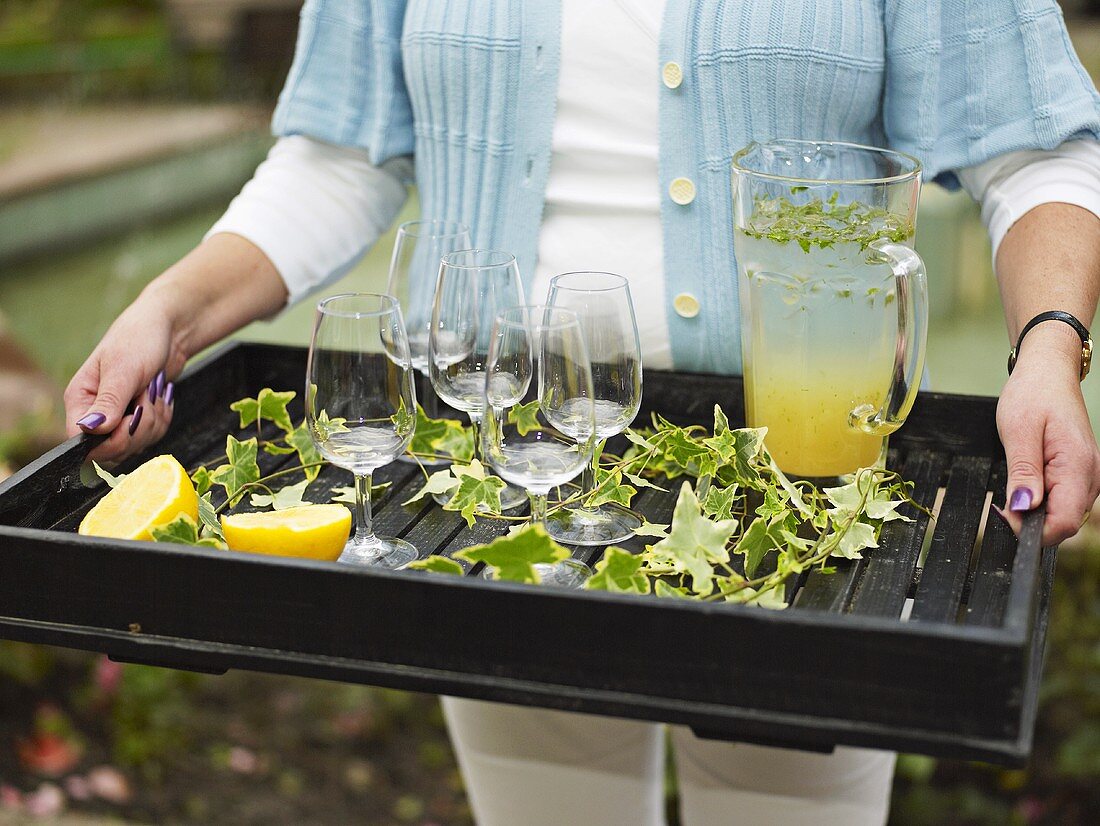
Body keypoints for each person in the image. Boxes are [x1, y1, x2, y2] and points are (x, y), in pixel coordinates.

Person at [64, 1, 1100, 823]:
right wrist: (174, 308)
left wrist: (1048, 345)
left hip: (803, 494)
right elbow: (341, 155)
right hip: (503, 485)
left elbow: (1032, 152)